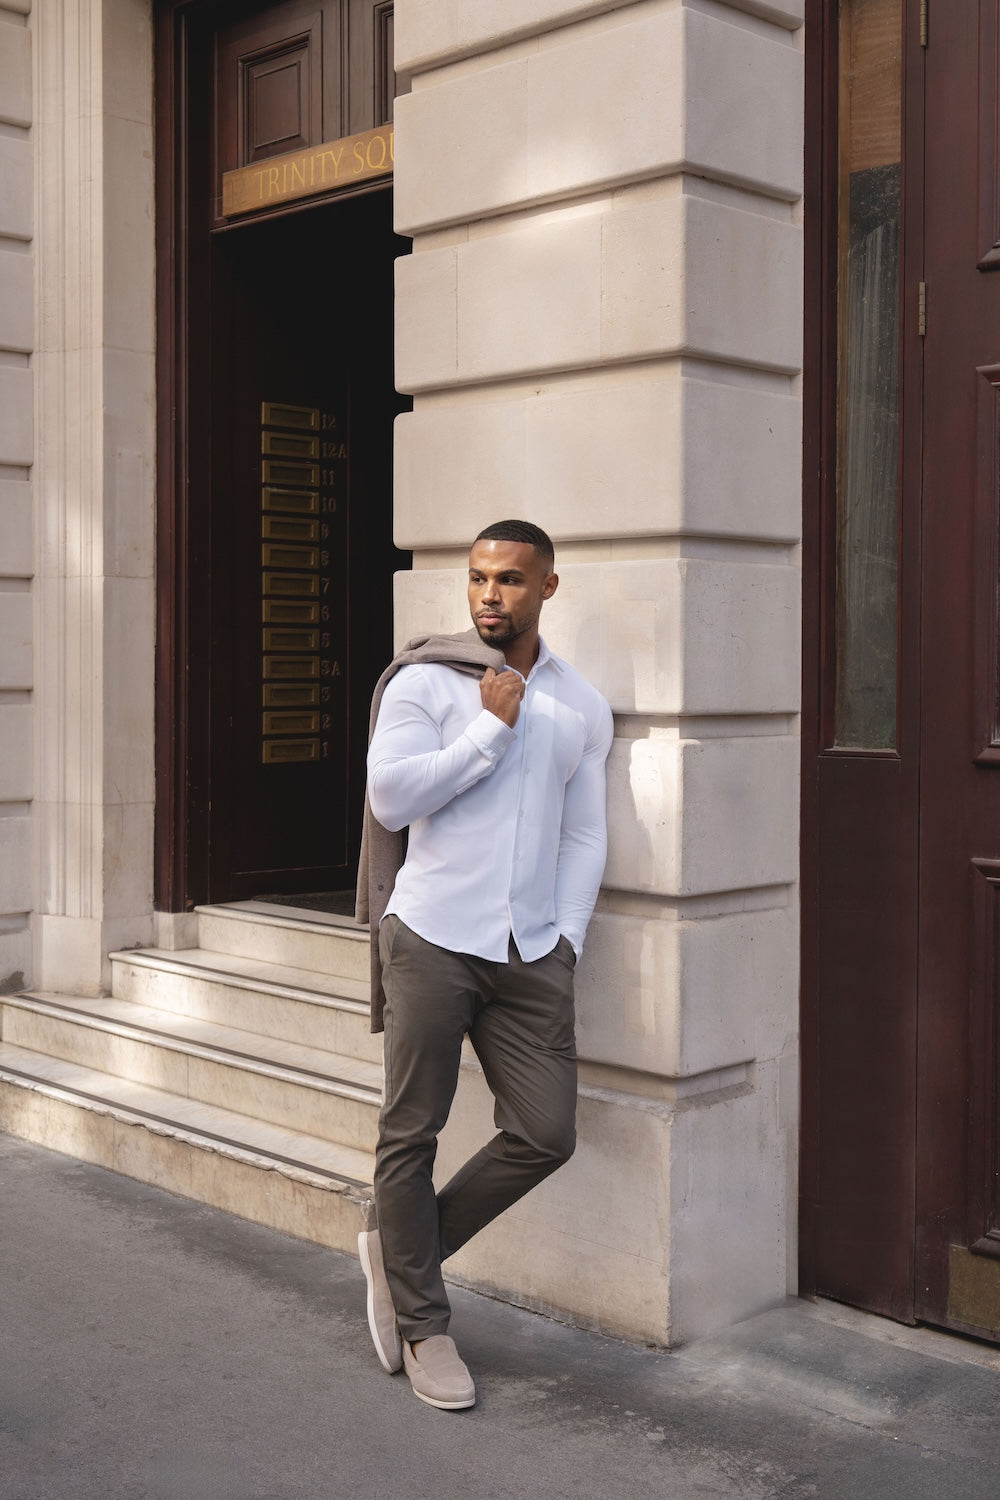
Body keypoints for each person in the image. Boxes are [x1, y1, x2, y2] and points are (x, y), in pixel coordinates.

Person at [357, 519, 613, 1410]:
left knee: (546, 1133)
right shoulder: (426, 680)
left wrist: (568, 939)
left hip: (531, 953)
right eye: (477, 578)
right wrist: (488, 733)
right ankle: (425, 1326)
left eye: (508, 579)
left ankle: (399, 1253)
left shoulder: (580, 703)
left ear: (548, 587)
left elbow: (584, 835)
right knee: (411, 1133)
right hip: (432, 936)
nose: (489, 594)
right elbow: (390, 797)